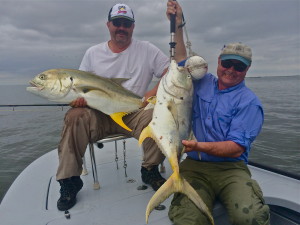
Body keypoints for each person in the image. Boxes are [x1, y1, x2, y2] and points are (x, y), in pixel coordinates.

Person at [56, 3, 169, 211]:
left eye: (126, 24)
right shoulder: (93, 53)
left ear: (133, 27)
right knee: (74, 116)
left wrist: (152, 93)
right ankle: (70, 181)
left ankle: (150, 169)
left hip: (134, 112)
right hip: (99, 115)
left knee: (158, 115)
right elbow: (79, 87)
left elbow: (170, 71)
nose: (121, 28)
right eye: (117, 23)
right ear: (108, 25)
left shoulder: (147, 49)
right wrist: (77, 99)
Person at [166, 1, 270, 224]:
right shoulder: (201, 82)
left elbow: (235, 149)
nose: (231, 70)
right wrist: (178, 24)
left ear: (247, 70)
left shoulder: (249, 102)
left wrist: (197, 146)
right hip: (194, 166)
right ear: (218, 61)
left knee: (249, 217)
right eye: (227, 63)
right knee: (188, 220)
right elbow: (181, 60)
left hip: (231, 169)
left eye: (239, 66)